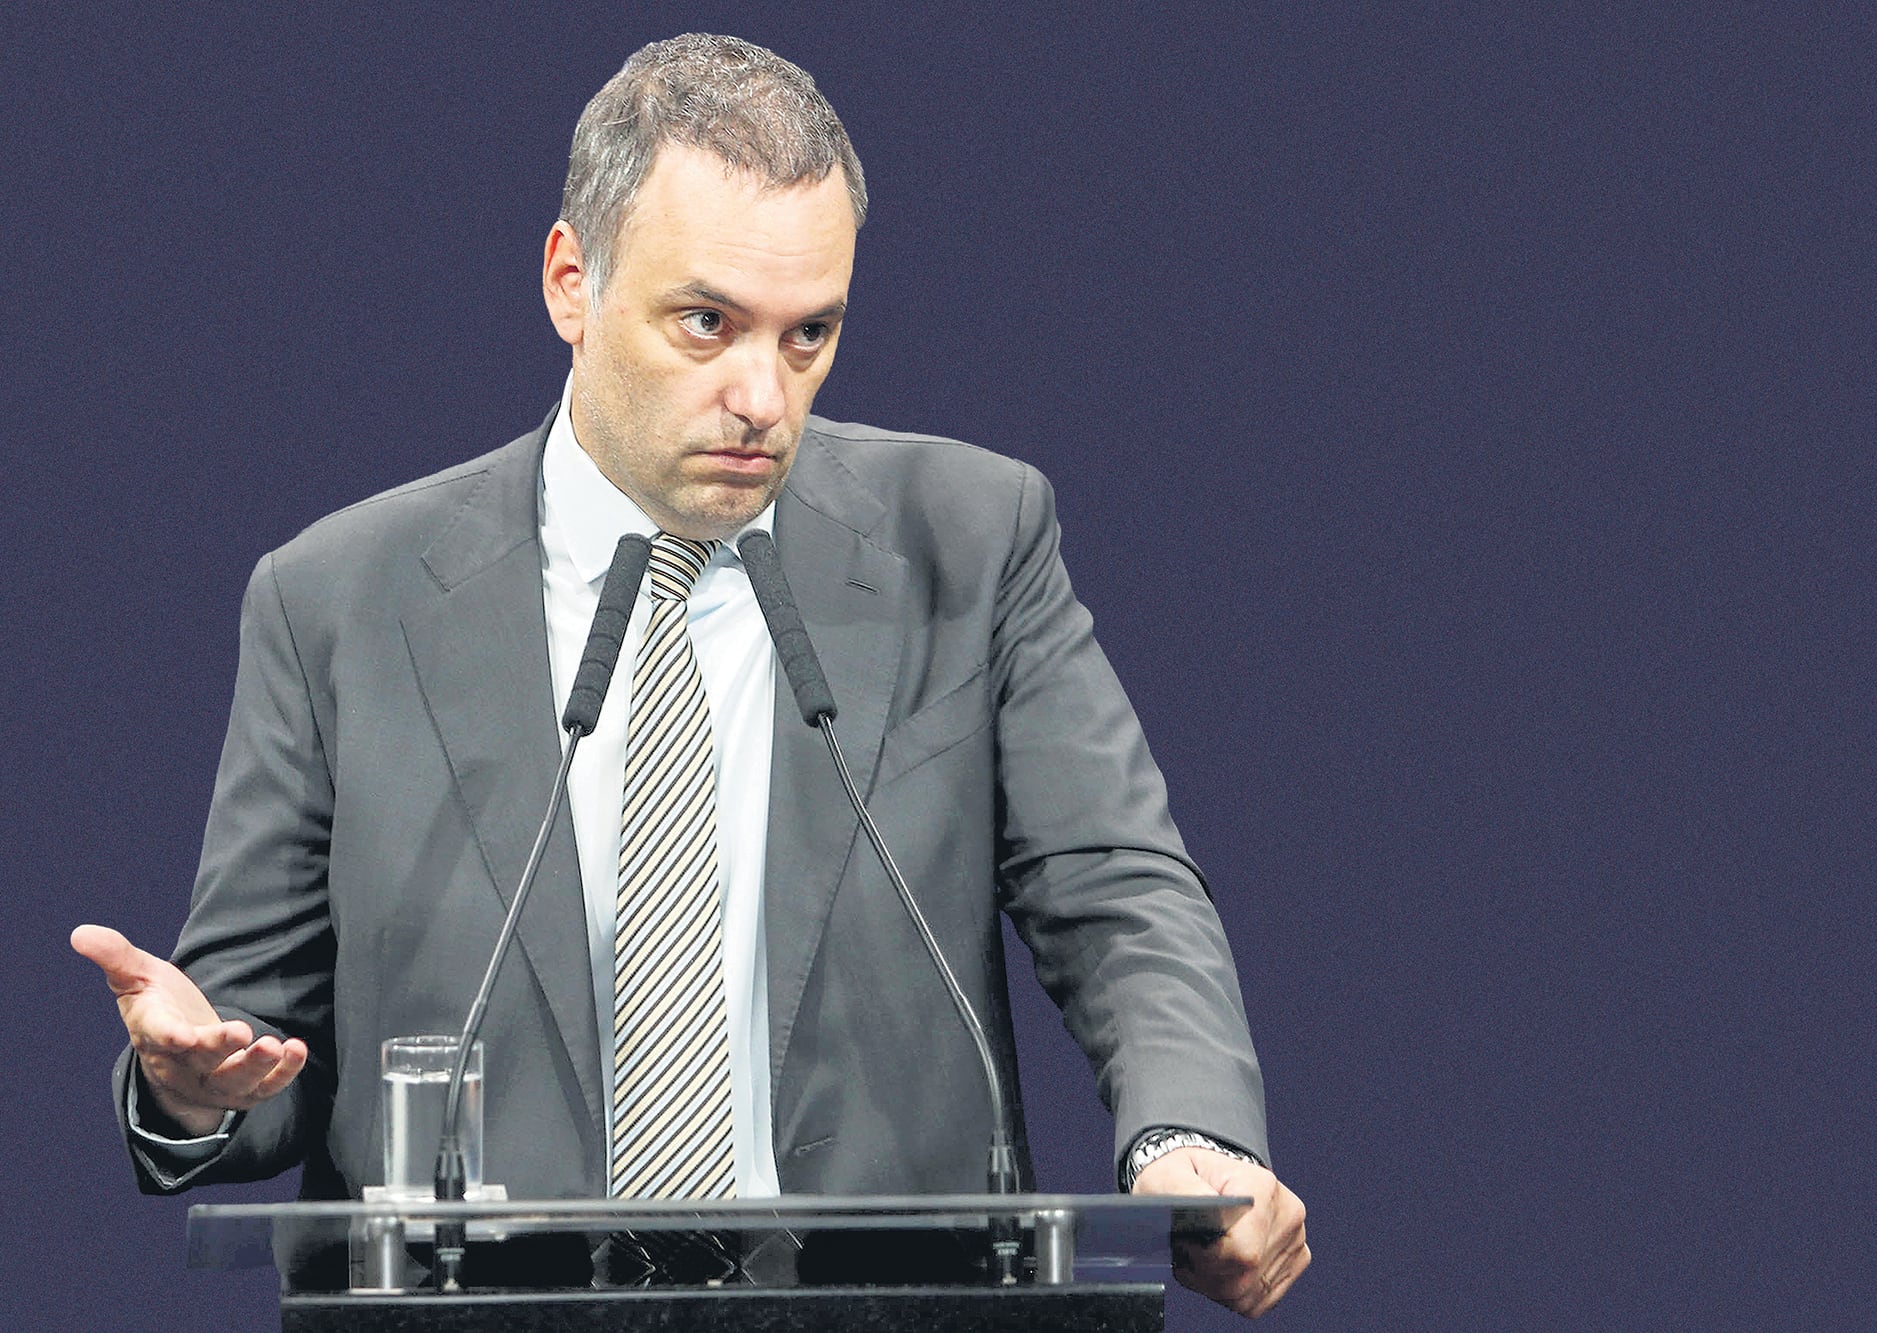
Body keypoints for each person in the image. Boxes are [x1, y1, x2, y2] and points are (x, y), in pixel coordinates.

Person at [73, 33, 1308, 1317]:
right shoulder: (337, 599)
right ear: (571, 280)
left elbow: (1117, 892)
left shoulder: (972, 538)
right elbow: (246, 1040)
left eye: (808, 333)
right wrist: (188, 1087)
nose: (762, 395)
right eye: (706, 322)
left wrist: (1186, 1137)